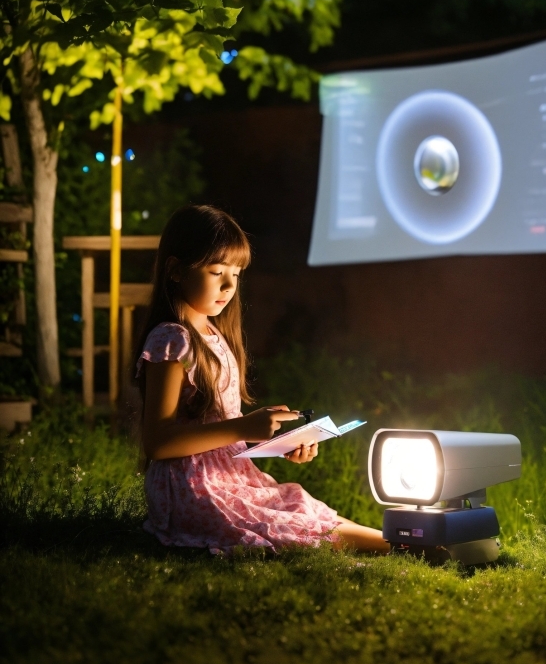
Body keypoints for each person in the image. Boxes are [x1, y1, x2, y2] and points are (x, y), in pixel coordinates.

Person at [135, 204, 389, 555]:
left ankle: (406, 540)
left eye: (236, 274)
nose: (228, 285)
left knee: (296, 504)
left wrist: (273, 442)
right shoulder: (171, 339)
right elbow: (158, 443)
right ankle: (404, 545)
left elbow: (219, 431)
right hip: (190, 488)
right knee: (286, 526)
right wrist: (242, 428)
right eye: (216, 271)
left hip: (229, 477)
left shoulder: (212, 333)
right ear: (176, 270)